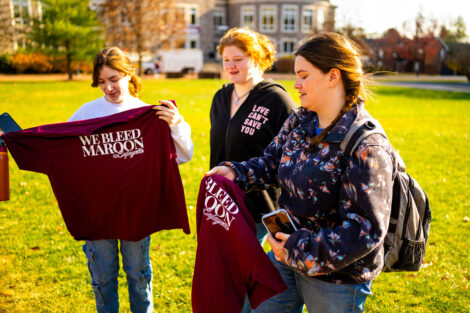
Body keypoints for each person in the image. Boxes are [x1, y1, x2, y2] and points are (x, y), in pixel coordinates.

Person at [207, 32, 397, 313]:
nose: (295, 84)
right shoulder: (300, 120)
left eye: (304, 76)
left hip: (336, 279)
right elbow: (271, 162)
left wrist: (298, 248)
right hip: (285, 258)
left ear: (333, 77)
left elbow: (365, 231)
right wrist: (235, 172)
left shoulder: (366, 145)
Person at [69, 47, 193, 313]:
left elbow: (183, 156)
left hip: (136, 211)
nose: (108, 88)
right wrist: (19, 141)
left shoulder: (149, 114)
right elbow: (61, 149)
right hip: (97, 211)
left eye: (114, 79)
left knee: (138, 276)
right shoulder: (86, 113)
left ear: (128, 75)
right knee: (103, 279)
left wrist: (176, 123)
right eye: (101, 82)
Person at [210, 27, 296, 244]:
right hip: (222, 202)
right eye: (226, 59)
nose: (230, 65)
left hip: (260, 208)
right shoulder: (220, 97)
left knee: (248, 270)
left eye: (238, 59)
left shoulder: (277, 100)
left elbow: (294, 156)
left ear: (257, 58)